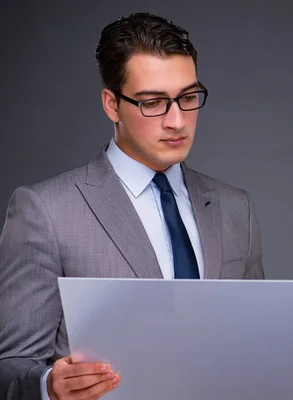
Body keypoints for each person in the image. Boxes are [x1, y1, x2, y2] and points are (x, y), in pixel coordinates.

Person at [0, 12, 265, 400]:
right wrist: (47, 386)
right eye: (154, 102)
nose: (177, 121)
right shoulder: (44, 210)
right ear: (111, 104)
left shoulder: (235, 207)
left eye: (188, 98)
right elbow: (11, 364)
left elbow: (256, 346)